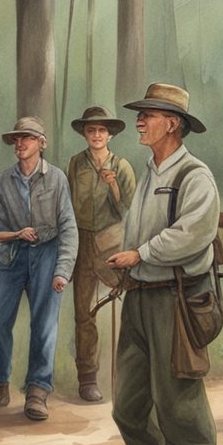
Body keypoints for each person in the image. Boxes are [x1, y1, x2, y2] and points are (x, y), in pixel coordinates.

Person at [103, 82, 221, 445]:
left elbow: (195, 234)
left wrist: (141, 253)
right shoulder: (149, 172)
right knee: (128, 402)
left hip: (175, 300)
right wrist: (129, 265)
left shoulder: (195, 175)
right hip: (139, 297)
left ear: (172, 124)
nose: (139, 120)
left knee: (180, 402)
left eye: (148, 114)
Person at [0, 117, 78, 421]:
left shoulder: (57, 179)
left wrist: (63, 270)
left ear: (41, 144)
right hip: (12, 255)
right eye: (17, 139)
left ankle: (37, 390)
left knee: (44, 324)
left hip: (47, 253)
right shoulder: (1, 182)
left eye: (28, 138)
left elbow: (68, 228)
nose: (21, 144)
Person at [64, 106, 137, 402]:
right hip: (81, 243)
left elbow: (132, 212)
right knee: (84, 313)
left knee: (128, 307)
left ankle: (132, 375)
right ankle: (87, 379)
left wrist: (114, 187)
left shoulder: (122, 166)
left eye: (102, 131)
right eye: (91, 130)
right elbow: (67, 206)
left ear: (110, 135)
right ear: (84, 133)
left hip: (113, 243)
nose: (96, 135)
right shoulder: (76, 164)